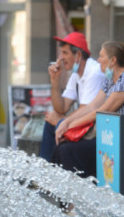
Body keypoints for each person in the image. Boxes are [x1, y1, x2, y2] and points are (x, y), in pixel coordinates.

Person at [52, 41, 124, 177]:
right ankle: (57, 190)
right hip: (112, 137)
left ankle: (77, 194)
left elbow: (103, 111)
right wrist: (66, 122)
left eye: (101, 56)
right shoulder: (110, 79)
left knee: (68, 151)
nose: (97, 60)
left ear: (113, 60)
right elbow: (92, 105)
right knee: (61, 147)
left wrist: (70, 125)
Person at [39, 32, 106, 160]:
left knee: (55, 126)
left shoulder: (94, 72)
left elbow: (86, 112)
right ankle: (46, 169)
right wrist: (55, 80)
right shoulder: (75, 74)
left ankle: (47, 169)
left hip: (96, 131)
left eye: (65, 53)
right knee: (51, 121)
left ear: (78, 55)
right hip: (86, 125)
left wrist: (61, 122)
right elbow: (61, 108)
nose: (60, 57)